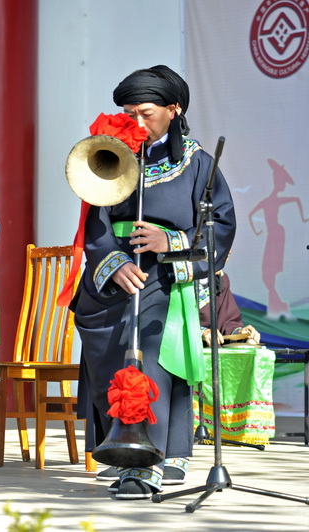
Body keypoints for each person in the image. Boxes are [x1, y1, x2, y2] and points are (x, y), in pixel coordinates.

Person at [73, 66, 236, 499]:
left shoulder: (197, 163)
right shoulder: (111, 155)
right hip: (113, 277)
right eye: (129, 114)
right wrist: (112, 262)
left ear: (173, 109)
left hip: (164, 275)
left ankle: (145, 463)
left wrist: (171, 241)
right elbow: (95, 222)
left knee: (146, 357)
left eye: (146, 113)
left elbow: (221, 225)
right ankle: (120, 446)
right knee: (108, 357)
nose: (137, 123)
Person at [198, 271, 260, 346]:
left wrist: (239, 333)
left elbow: (226, 321)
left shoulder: (220, 279)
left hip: (212, 350)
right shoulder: (184, 279)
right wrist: (201, 332)